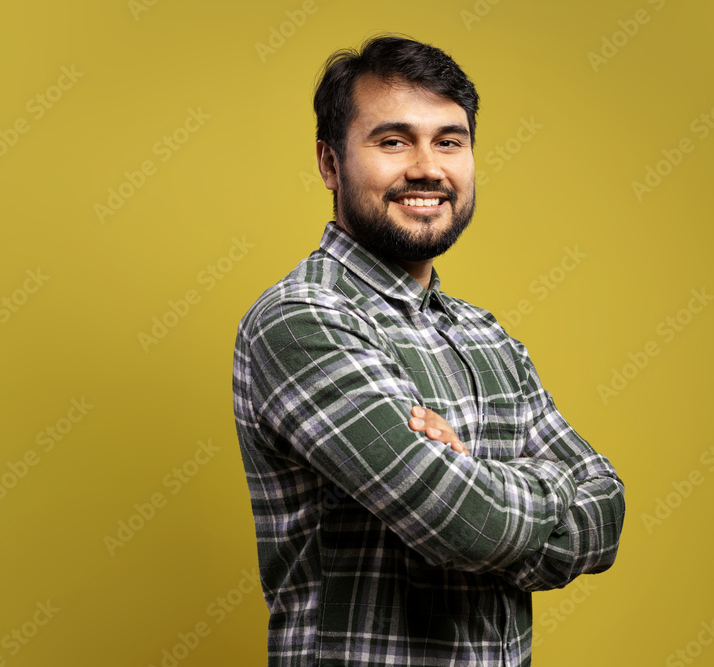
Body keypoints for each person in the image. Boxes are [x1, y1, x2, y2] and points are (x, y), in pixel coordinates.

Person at [232, 34, 625, 666]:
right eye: (393, 141)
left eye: (450, 141)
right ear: (330, 164)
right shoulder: (302, 321)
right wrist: (523, 494)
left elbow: (606, 508)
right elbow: (464, 523)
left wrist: (476, 477)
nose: (427, 168)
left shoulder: (486, 335)